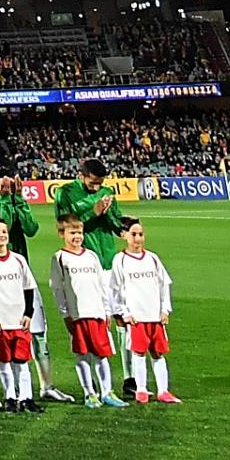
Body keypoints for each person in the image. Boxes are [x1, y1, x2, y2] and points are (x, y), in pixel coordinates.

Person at [0, 166, 73, 402]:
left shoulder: (16, 200)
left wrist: (20, 201)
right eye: (4, 185)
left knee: (38, 332)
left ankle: (46, 386)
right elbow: (2, 224)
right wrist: (6, 199)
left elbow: (31, 228)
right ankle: (12, 393)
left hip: (21, 274)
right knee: (4, 335)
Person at [54, 160, 132, 395]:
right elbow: (64, 222)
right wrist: (92, 212)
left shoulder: (107, 193)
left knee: (120, 318)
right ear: (82, 175)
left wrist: (122, 224)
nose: (97, 187)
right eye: (93, 182)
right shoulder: (65, 192)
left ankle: (129, 378)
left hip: (108, 261)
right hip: (80, 264)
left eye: (100, 183)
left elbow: (114, 222)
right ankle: (91, 385)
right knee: (85, 322)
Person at [0, 217, 42, 413]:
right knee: (4, 362)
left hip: (20, 320)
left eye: (4, 231)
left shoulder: (18, 259)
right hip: (0, 322)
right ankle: (10, 397)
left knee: (22, 361)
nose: (1, 235)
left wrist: (29, 313)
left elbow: (29, 287)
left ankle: (26, 398)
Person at [109, 219, 178, 404]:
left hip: (155, 316)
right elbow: (115, 289)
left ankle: (163, 390)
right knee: (138, 353)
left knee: (158, 353)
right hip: (137, 317)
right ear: (124, 236)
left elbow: (165, 285)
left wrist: (165, 309)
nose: (138, 238)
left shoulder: (153, 258)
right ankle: (141, 390)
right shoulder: (120, 260)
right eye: (134, 234)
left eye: (140, 234)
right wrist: (124, 312)